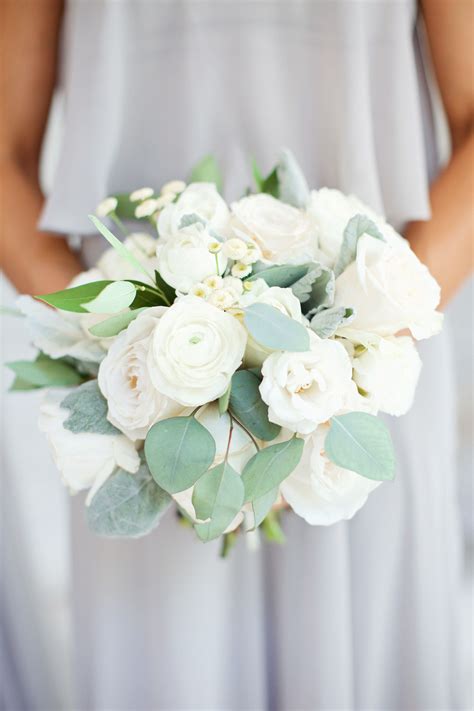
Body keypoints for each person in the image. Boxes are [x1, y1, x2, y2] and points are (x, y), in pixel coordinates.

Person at [1, 1, 473, 709]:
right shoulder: (137, 389)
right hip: (144, 417)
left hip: (365, 389)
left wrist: (350, 359)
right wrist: (125, 357)